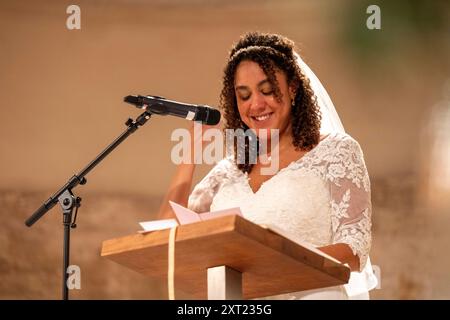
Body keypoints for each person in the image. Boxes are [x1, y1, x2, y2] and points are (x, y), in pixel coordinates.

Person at [158, 31, 377, 299]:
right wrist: (189, 156)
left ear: (293, 88)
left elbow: (354, 251)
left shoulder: (336, 151)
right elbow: (166, 235)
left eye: (267, 90)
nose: (256, 104)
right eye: (244, 95)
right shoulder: (230, 170)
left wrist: (272, 260)